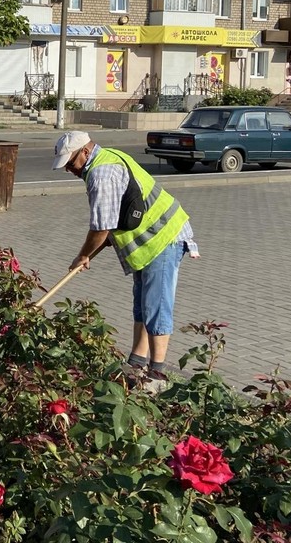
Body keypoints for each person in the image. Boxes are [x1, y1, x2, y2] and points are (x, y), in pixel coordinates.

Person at [51, 132, 200, 390]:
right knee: (142, 304)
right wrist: (88, 254)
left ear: (85, 152)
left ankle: (157, 375)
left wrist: (84, 254)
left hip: (163, 237)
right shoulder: (106, 158)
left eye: (70, 163)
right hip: (148, 243)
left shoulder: (101, 174)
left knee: (156, 305)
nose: (68, 169)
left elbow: (101, 229)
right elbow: (112, 225)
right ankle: (137, 363)